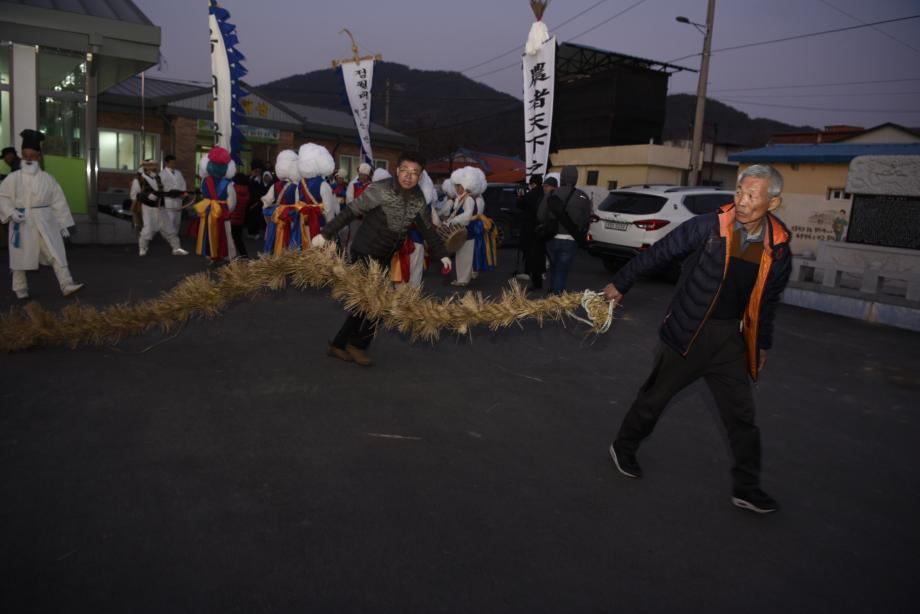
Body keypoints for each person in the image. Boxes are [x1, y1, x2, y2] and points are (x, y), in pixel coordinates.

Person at [604, 164, 792, 515]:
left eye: (753, 195)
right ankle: (624, 447)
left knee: (742, 418)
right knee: (654, 399)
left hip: (733, 344)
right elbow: (659, 253)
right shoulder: (709, 227)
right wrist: (622, 282)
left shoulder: (778, 248)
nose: (743, 201)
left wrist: (762, 343)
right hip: (690, 332)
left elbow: (767, 303)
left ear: (774, 203)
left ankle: (747, 488)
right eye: (739, 191)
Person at [311, 152, 453, 366]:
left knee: (367, 304)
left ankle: (341, 344)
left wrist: (442, 255)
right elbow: (351, 211)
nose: (408, 176)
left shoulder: (418, 199)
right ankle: (356, 345)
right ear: (397, 170)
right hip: (364, 251)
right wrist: (325, 234)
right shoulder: (381, 189)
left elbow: (428, 230)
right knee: (376, 303)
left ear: (420, 176)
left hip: (385, 255)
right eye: (404, 170)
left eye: (414, 173)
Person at [0, 129, 83, 299]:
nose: (29, 159)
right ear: (22, 156)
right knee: (19, 257)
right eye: (25, 155)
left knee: (55, 252)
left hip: (45, 221)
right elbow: (3, 198)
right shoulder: (13, 178)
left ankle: (66, 284)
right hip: (21, 222)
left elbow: (58, 202)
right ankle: (20, 290)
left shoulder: (48, 179)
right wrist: (10, 212)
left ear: (39, 157)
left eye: (32, 155)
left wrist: (64, 224)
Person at [536, 166, 591, 294]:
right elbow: (585, 220)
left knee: (554, 267)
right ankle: (557, 295)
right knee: (562, 269)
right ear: (576, 179)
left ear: (562, 178)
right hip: (570, 239)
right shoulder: (583, 197)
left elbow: (540, 216)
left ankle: (555, 290)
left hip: (551, 237)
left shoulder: (552, 193)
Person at [131, 158, 189, 257]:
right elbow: (133, 195)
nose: (152, 167)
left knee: (169, 228)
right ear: (145, 166)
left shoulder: (157, 178)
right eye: (150, 165)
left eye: (154, 165)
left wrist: (176, 193)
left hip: (161, 207)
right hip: (148, 208)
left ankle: (176, 248)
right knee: (148, 229)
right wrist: (147, 196)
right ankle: (142, 248)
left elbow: (163, 191)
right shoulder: (138, 179)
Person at [192, 147, 237, 264]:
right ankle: (226, 255)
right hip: (222, 212)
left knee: (208, 232)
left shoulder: (204, 181)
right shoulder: (228, 184)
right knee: (224, 234)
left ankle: (211, 255)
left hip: (208, 211)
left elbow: (203, 195)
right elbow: (232, 202)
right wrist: (228, 210)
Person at [516, 174, 545, 289]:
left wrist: (519, 197)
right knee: (539, 255)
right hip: (540, 228)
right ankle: (539, 274)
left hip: (528, 229)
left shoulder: (530, 195)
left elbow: (520, 205)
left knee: (530, 254)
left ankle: (532, 276)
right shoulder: (543, 194)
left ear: (533, 183)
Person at [160, 154, 187, 233]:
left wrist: (184, 193)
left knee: (177, 218)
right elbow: (160, 187)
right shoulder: (162, 174)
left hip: (179, 198)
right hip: (169, 199)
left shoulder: (178, 172)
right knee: (170, 217)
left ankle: (175, 234)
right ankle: (170, 235)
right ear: (167, 163)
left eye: (174, 162)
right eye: (172, 162)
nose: (174, 164)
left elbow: (183, 183)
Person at [230, 172, 250, 258]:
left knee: (229, 238)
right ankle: (244, 255)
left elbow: (230, 204)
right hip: (240, 218)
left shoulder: (233, 189)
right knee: (238, 238)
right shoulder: (247, 191)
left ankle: (230, 255)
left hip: (231, 217)